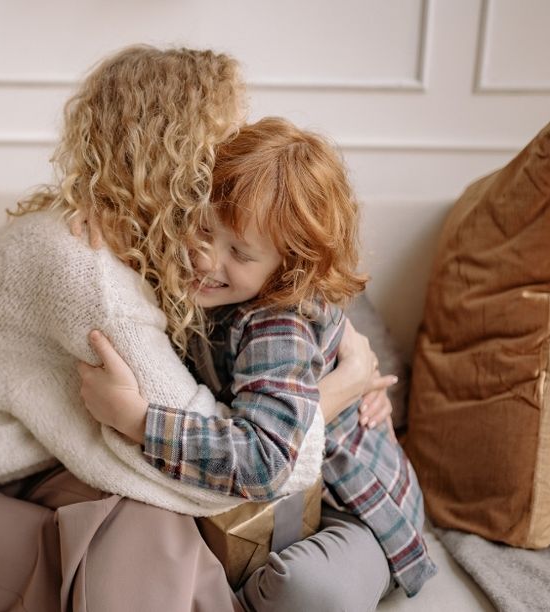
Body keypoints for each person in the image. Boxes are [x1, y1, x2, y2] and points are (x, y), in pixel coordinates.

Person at [0, 46, 380, 612]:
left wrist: (332, 347)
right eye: (227, 139)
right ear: (178, 158)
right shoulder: (90, 273)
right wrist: (338, 391)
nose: (238, 155)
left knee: (153, 525)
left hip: (34, 471)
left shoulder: (145, 246)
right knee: (136, 538)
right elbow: (226, 465)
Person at [78, 117, 437, 611]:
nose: (206, 259)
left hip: (352, 504)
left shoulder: (278, 325)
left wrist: (138, 421)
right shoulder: (199, 280)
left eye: (240, 253)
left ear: (286, 268)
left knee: (306, 591)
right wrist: (102, 212)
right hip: (269, 512)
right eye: (203, 228)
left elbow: (265, 461)